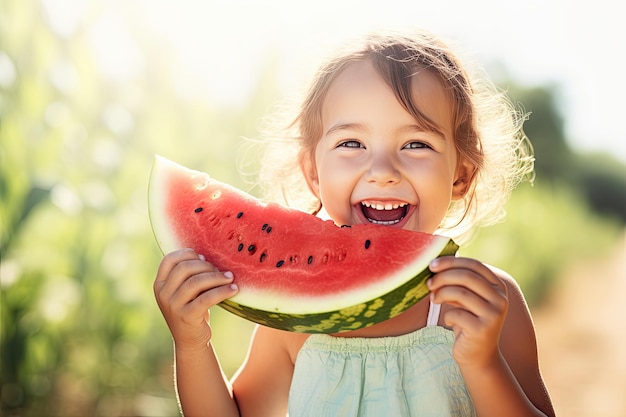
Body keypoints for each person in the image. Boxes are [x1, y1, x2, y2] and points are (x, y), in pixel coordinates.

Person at [154, 28, 555, 417]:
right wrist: (192, 344)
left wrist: (484, 363)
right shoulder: (293, 321)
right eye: (351, 144)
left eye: (416, 144)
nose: (382, 171)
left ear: (460, 175)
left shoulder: (488, 302)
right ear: (313, 172)